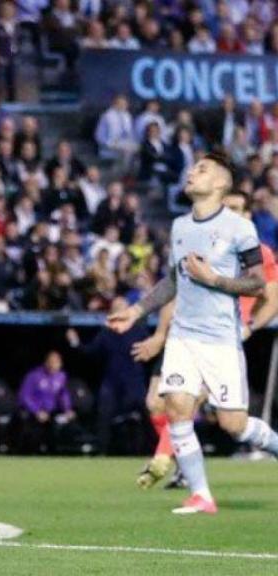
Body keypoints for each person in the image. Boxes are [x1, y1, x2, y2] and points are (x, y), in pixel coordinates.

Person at [108, 151, 278, 515]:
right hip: (184, 335)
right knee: (175, 407)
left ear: (220, 183)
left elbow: (258, 284)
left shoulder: (240, 229)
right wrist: (137, 311)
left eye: (202, 169)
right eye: (193, 167)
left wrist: (214, 279)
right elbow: (173, 280)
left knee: (233, 424)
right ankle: (201, 495)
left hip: (220, 338)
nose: (192, 173)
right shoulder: (180, 226)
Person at [66, 296, 149, 454]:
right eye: (116, 308)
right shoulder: (106, 333)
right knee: (103, 415)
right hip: (112, 383)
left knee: (148, 415)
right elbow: (89, 352)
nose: (119, 311)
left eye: (122, 307)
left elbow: (151, 350)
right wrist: (75, 342)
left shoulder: (139, 331)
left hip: (134, 383)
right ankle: (102, 451)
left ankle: (154, 452)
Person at [17, 350, 77, 454]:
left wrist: (67, 409)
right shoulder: (33, 376)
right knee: (33, 437)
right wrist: (37, 411)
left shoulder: (61, 376)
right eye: (51, 362)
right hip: (34, 414)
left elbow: (63, 394)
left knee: (65, 428)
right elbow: (24, 396)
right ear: (46, 363)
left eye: (57, 362)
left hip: (51, 414)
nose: (53, 365)